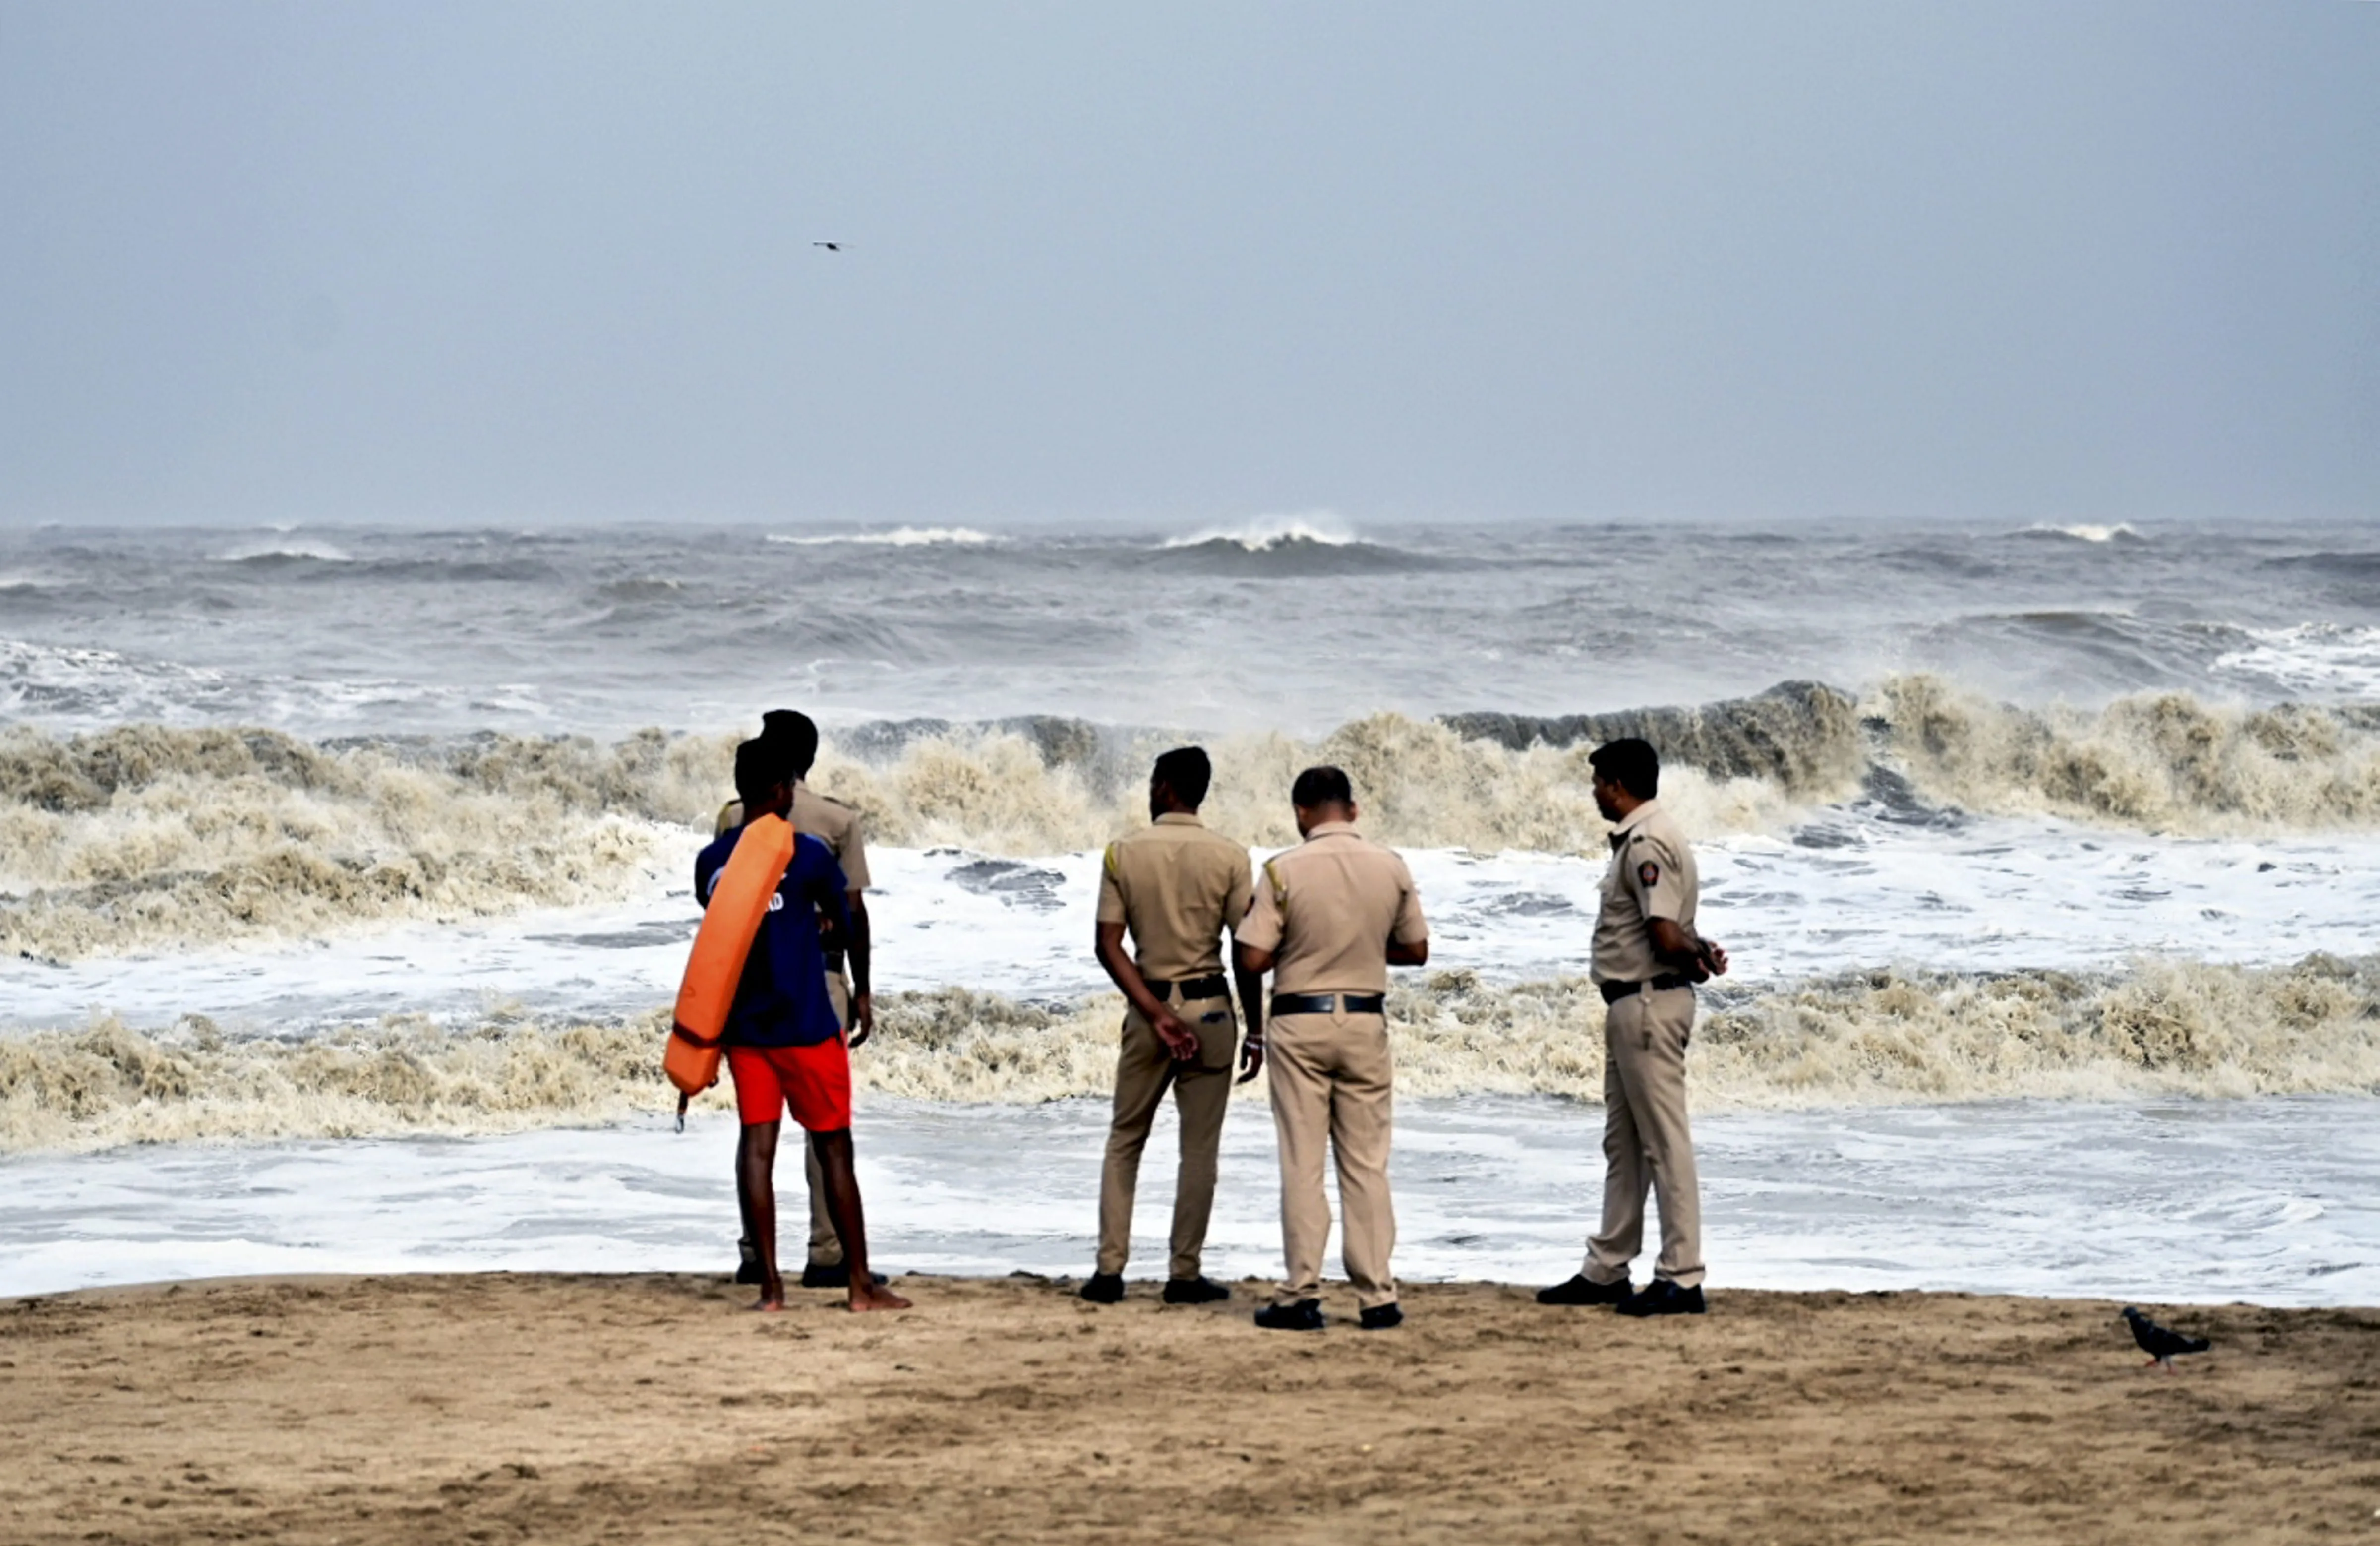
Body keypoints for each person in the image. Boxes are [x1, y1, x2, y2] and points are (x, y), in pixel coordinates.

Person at [696, 737, 907, 1314]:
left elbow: (722, 927)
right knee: (834, 1148)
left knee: (757, 1148)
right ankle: (859, 1286)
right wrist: (818, 927)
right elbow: (844, 923)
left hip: (746, 1029)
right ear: (779, 790)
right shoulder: (809, 853)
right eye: (789, 785)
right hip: (808, 1024)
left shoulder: (711, 862)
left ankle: (770, 1290)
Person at [1232, 766, 1429, 1332]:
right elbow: (1416, 949)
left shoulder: (1284, 869)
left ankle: (1301, 1293)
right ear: (1354, 809)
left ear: (1301, 812)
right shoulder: (1390, 866)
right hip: (1365, 1018)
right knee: (1366, 1163)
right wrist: (1360, 946)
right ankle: (1378, 1295)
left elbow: (1253, 958)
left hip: (1301, 1020)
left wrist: (1303, 948)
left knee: (1303, 1162)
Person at [1537, 737, 1728, 1318]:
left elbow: (1665, 933)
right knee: (1624, 1144)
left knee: (1664, 1144)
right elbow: (1669, 930)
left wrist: (1694, 950)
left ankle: (1682, 1275)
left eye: (1598, 783)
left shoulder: (1646, 843)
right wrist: (1699, 950)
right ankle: (1607, 1267)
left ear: (1618, 786)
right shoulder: (1650, 837)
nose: (1594, 793)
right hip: (1637, 1001)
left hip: (1647, 1004)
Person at [1080, 746, 1261, 1306]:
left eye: (1153, 783)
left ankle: (1109, 1270)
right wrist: (1256, 1028)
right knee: (1199, 1151)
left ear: (1164, 787)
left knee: (1125, 1139)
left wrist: (1158, 1016)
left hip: (1149, 1009)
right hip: (1210, 1011)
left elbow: (1108, 945)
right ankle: (1184, 1273)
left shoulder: (1123, 852)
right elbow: (1247, 951)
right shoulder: (1231, 857)